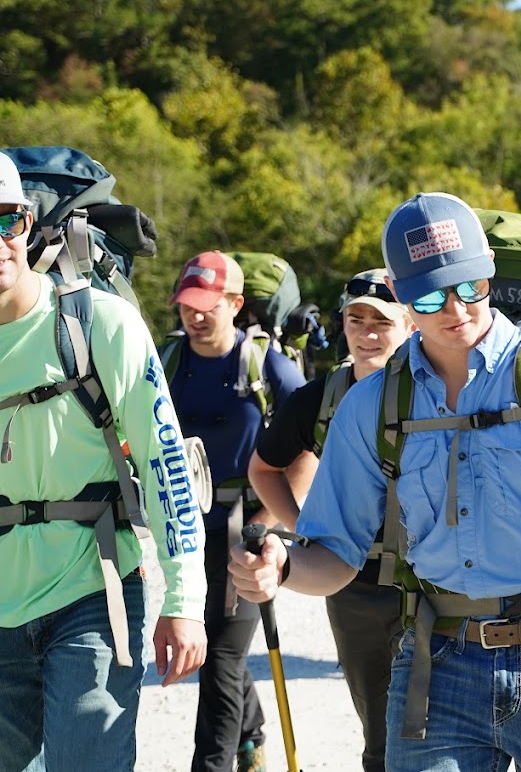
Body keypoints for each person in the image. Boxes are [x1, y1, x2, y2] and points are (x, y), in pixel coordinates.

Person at [229, 192, 521, 772]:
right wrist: (281, 566)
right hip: (437, 666)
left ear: (487, 268)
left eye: (470, 287)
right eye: (432, 295)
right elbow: (335, 557)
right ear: (404, 296)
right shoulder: (373, 405)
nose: (456, 308)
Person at [0, 150, 207, 770]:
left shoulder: (101, 324)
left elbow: (165, 464)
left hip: (94, 590)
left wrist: (183, 601)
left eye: (5, 221)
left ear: (28, 224)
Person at [247, 269, 413, 772]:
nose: (365, 333)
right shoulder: (322, 397)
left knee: (438, 724)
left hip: (430, 584)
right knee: (380, 731)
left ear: (409, 322)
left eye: (380, 321)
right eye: (354, 319)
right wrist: (304, 531)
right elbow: (264, 468)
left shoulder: (438, 391)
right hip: (353, 587)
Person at [164, 250, 306, 772]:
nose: (196, 316)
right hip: (187, 527)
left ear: (235, 304)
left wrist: (272, 519)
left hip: (245, 530)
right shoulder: (171, 360)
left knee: (219, 654)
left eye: (207, 306)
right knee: (223, 645)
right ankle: (251, 740)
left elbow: (311, 442)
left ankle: (215, 764)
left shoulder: (265, 365)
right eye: (187, 306)